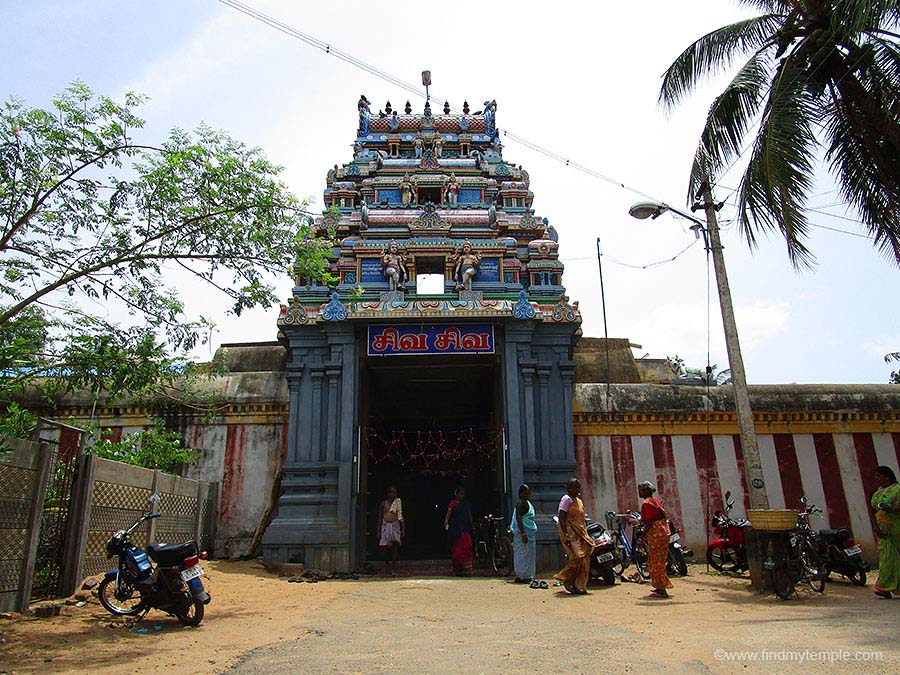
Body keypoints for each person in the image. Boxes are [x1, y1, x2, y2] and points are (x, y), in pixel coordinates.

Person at [553, 478, 593, 594]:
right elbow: (561, 517)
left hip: (581, 533)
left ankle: (579, 585)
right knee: (577, 557)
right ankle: (565, 578)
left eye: (578, 487)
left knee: (584, 558)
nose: (577, 490)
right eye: (574, 487)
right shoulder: (566, 500)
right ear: (569, 488)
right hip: (571, 533)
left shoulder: (579, 501)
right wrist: (566, 534)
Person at [639, 480, 673, 598]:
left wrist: (642, 536)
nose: (639, 492)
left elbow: (648, 522)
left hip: (656, 534)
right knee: (659, 561)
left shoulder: (646, 503)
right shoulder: (656, 501)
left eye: (640, 490)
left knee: (656, 562)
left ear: (645, 491)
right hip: (663, 531)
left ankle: (662, 589)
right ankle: (659, 586)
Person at [871, 465, 900, 598]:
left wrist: (891, 510)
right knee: (886, 558)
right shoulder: (877, 493)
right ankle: (886, 587)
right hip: (883, 532)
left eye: (878, 476)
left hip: (896, 529)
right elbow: (874, 512)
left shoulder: (897, 490)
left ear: (886, 476)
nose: (876, 479)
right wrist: (876, 527)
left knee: (894, 558)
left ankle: (885, 587)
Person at [444, 486, 474, 576]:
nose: (461, 496)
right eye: (460, 494)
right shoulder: (453, 503)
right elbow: (448, 513)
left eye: (463, 494)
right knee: (457, 549)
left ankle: (467, 570)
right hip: (456, 529)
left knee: (467, 547)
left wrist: (472, 525)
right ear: (456, 494)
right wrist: (446, 521)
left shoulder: (466, 504)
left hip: (465, 528)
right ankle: (459, 570)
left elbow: (469, 515)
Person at [511, 483, 537, 584]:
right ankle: (523, 576)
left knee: (526, 555)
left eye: (528, 493)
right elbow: (519, 519)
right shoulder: (522, 504)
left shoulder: (526, 503)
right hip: (523, 534)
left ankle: (525, 575)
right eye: (525, 493)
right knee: (523, 555)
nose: (527, 495)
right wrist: (523, 533)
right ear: (521, 494)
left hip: (528, 533)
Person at [379, 485, 404, 576]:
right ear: (387, 493)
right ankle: (386, 563)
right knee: (383, 547)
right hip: (385, 526)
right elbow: (380, 517)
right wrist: (378, 530)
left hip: (395, 526)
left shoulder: (398, 503)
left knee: (395, 547)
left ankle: (393, 568)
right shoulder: (383, 503)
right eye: (390, 492)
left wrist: (402, 529)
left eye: (394, 492)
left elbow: (401, 515)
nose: (392, 494)